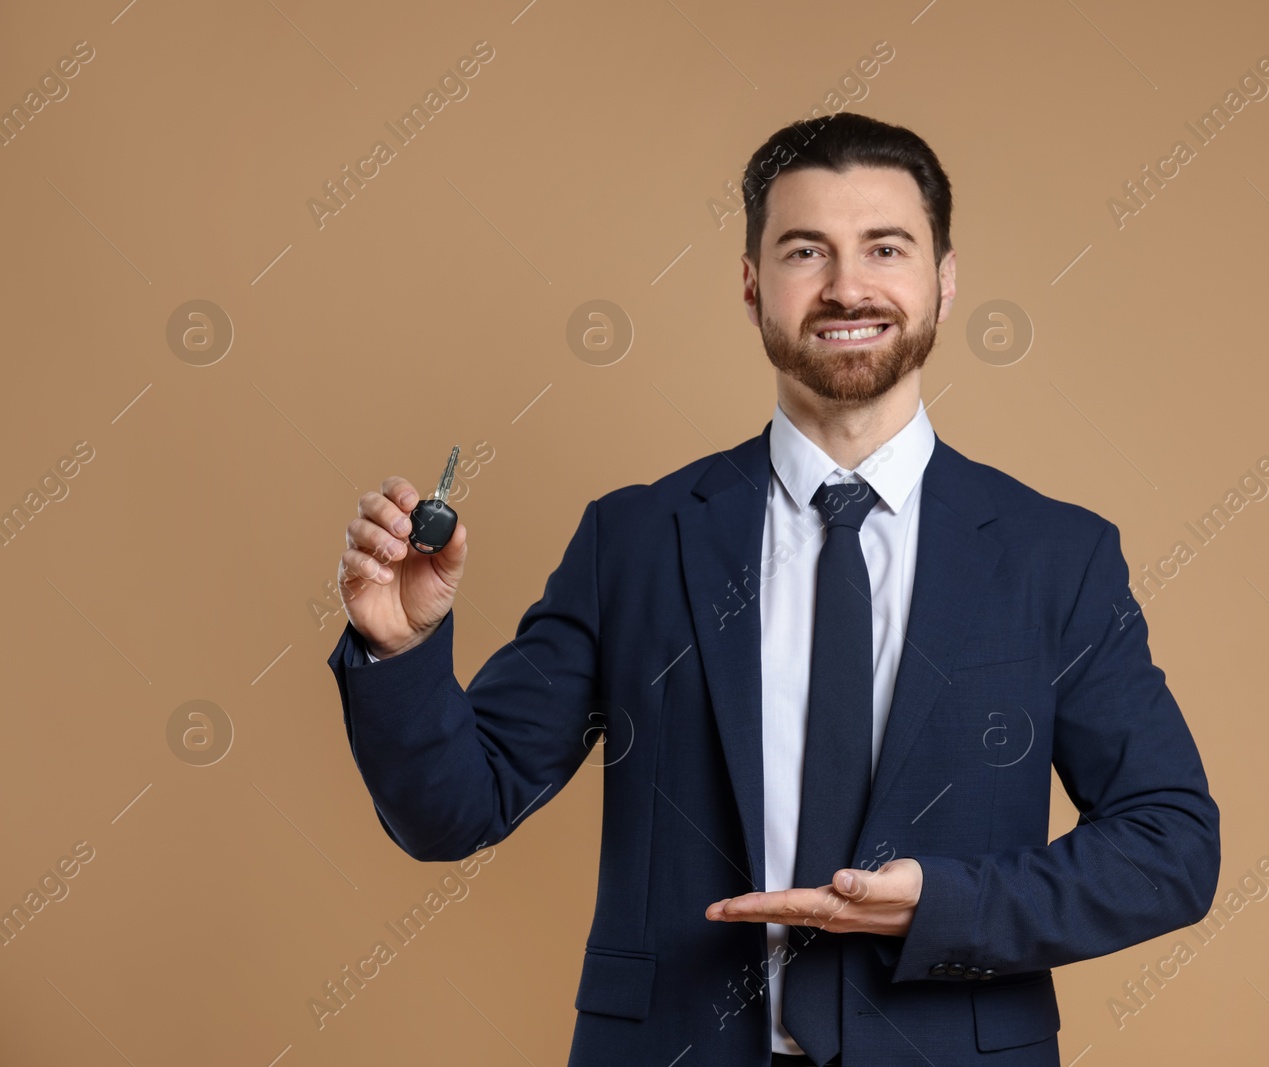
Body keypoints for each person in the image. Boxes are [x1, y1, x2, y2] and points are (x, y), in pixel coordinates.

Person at [327, 112, 1221, 1067]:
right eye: (806, 250)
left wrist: (942, 905)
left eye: (885, 246)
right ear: (752, 285)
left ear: (944, 280)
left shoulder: (1057, 555)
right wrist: (400, 647)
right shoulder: (632, 541)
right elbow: (456, 810)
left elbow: (1169, 846)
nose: (846, 287)